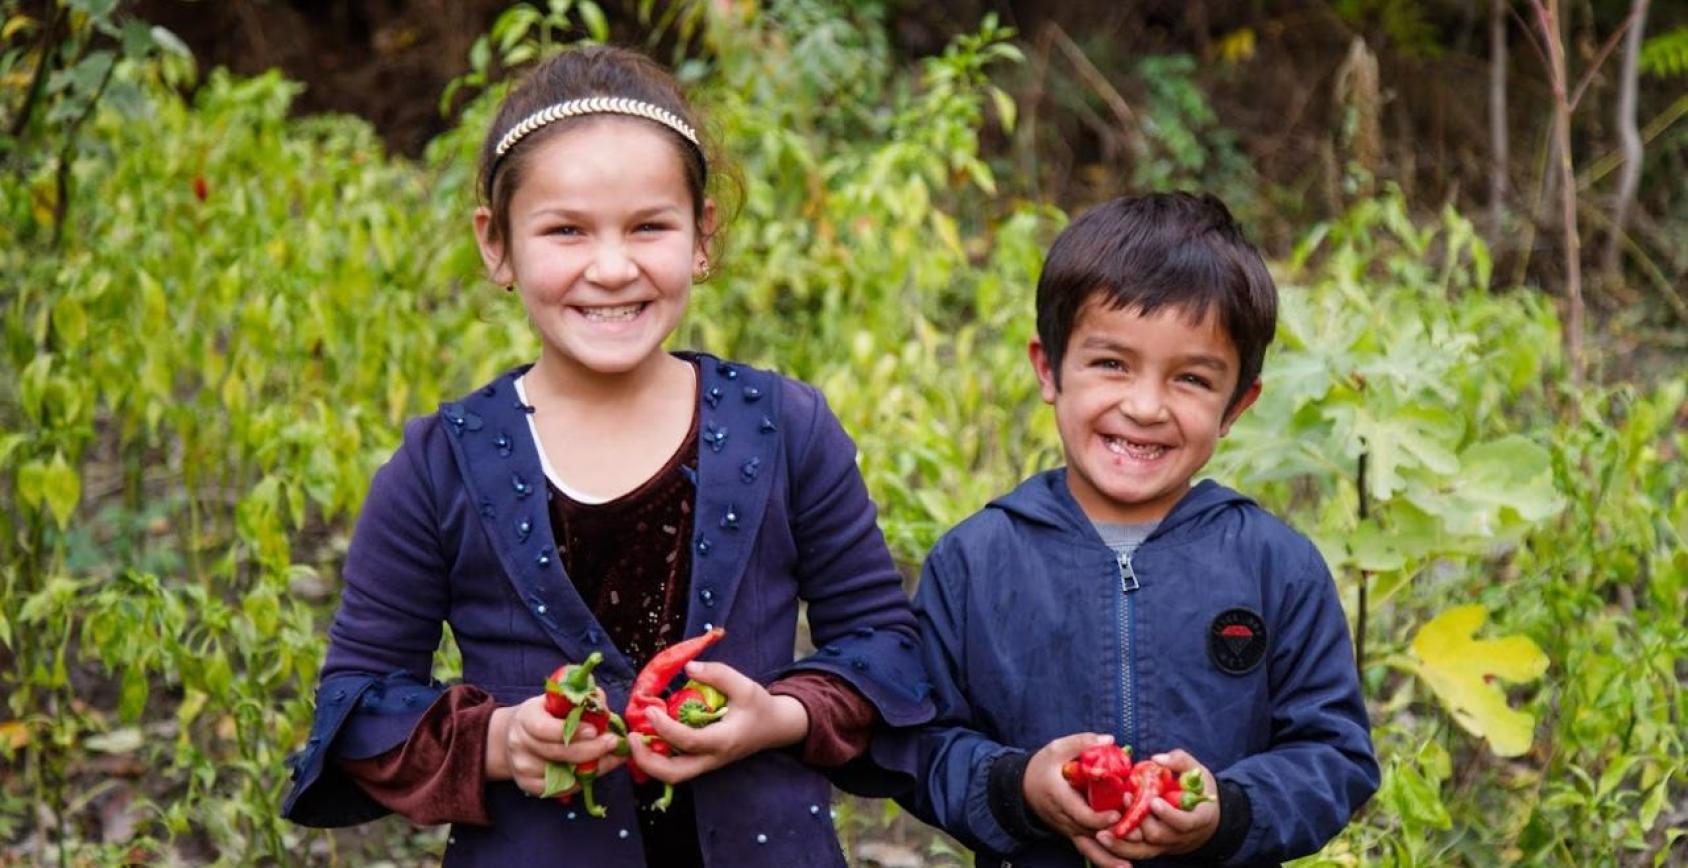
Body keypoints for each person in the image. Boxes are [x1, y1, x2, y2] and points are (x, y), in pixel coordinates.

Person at [281, 45, 932, 866]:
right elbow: (359, 703)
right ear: (497, 246)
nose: (613, 267)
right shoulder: (438, 465)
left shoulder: (788, 429)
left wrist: (779, 715)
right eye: (565, 230)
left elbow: (883, 646)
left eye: (649, 226)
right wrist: (503, 738)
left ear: (703, 235)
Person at [892, 193, 1379, 867]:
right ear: (1048, 368)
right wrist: (1020, 787)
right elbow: (921, 744)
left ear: (1238, 405)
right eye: (1111, 364)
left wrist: (1228, 810)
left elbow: (1335, 756)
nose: (1145, 406)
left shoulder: (1278, 567)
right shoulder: (976, 562)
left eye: (1191, 379)